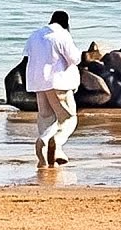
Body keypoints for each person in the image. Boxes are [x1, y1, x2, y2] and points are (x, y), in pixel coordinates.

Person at [23, 10, 80, 167]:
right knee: (69, 118)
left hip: (38, 83)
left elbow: (27, 57)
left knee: (46, 117)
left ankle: (44, 143)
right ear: (66, 23)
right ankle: (57, 142)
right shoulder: (62, 35)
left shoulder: (35, 35)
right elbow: (75, 58)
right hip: (60, 82)